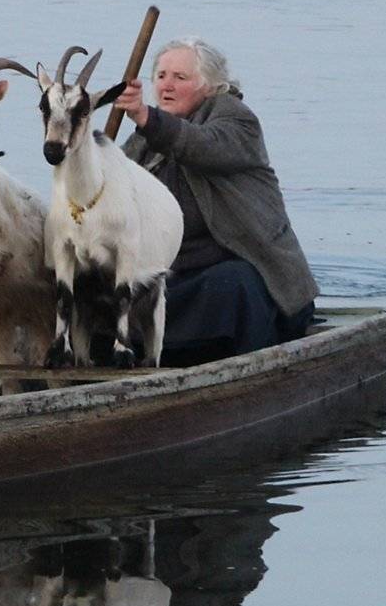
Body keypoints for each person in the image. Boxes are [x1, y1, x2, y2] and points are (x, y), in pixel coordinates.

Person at [116, 37, 319, 364]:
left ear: (209, 86)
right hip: (173, 275)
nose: (167, 86)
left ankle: (246, 371)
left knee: (232, 283)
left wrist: (144, 116)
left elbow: (202, 145)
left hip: (246, 275)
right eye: (161, 76)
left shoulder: (237, 120)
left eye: (180, 77)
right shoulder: (142, 140)